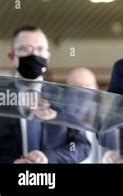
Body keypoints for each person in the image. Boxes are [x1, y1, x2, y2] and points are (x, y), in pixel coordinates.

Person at [0, 25, 90, 164]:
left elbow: (82, 146)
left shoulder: (64, 98)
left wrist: (49, 158)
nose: (33, 54)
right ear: (12, 57)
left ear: (48, 57)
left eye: (40, 49)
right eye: (25, 48)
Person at [66, 67, 100, 163]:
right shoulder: (58, 123)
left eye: (87, 85)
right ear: (68, 89)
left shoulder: (106, 121)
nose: (82, 91)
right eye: (76, 86)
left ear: (96, 88)